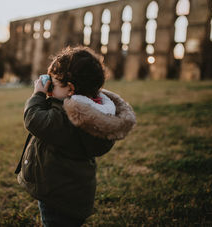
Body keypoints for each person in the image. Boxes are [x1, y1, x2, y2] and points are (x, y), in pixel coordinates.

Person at [15, 46, 136, 226]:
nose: (49, 87)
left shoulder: (66, 117)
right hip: (77, 196)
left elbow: (33, 119)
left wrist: (38, 94)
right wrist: (55, 93)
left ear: (70, 89)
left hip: (56, 197)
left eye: (53, 84)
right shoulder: (97, 112)